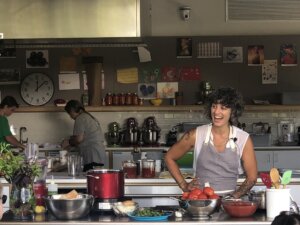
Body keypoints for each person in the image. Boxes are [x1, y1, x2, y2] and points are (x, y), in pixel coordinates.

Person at [165, 87, 257, 198]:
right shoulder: (195, 135)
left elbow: (252, 177)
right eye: (214, 106)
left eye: (223, 108)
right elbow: (169, 157)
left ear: (232, 111)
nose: (216, 112)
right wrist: (183, 185)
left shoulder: (243, 139)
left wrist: (233, 198)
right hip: (199, 202)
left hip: (229, 205)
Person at [61, 100, 107, 172]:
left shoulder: (80, 118)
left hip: (92, 155)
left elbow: (79, 139)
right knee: (96, 178)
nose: (70, 116)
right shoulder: (89, 117)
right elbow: (85, 137)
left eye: (70, 114)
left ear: (72, 110)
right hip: (98, 154)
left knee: (91, 179)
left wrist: (68, 142)